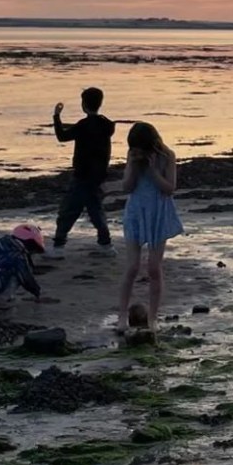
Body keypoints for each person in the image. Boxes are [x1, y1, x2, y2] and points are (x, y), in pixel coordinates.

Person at [116, 121, 182, 334]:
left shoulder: (167, 156)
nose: (138, 152)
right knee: (132, 267)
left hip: (158, 213)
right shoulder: (132, 155)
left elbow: (169, 188)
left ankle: (153, 317)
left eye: (140, 149)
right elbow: (127, 186)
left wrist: (153, 170)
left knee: (154, 267)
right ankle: (122, 316)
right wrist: (134, 165)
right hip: (136, 212)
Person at [52, 87, 116, 252]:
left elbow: (62, 136)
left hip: (82, 175)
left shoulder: (83, 125)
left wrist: (56, 116)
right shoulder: (107, 125)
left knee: (69, 210)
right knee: (95, 210)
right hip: (98, 175)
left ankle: (59, 245)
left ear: (84, 104)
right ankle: (106, 244)